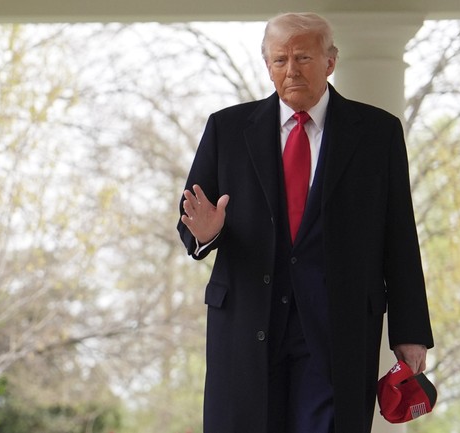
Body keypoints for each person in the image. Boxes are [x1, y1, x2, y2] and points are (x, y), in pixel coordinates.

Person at [177, 12, 433, 433]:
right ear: (267, 66)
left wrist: (410, 331)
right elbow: (191, 220)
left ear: (330, 61)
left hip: (339, 329)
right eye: (280, 60)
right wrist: (207, 233)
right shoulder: (227, 128)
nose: (291, 70)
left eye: (303, 58)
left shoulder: (377, 133)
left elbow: (399, 235)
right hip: (248, 327)